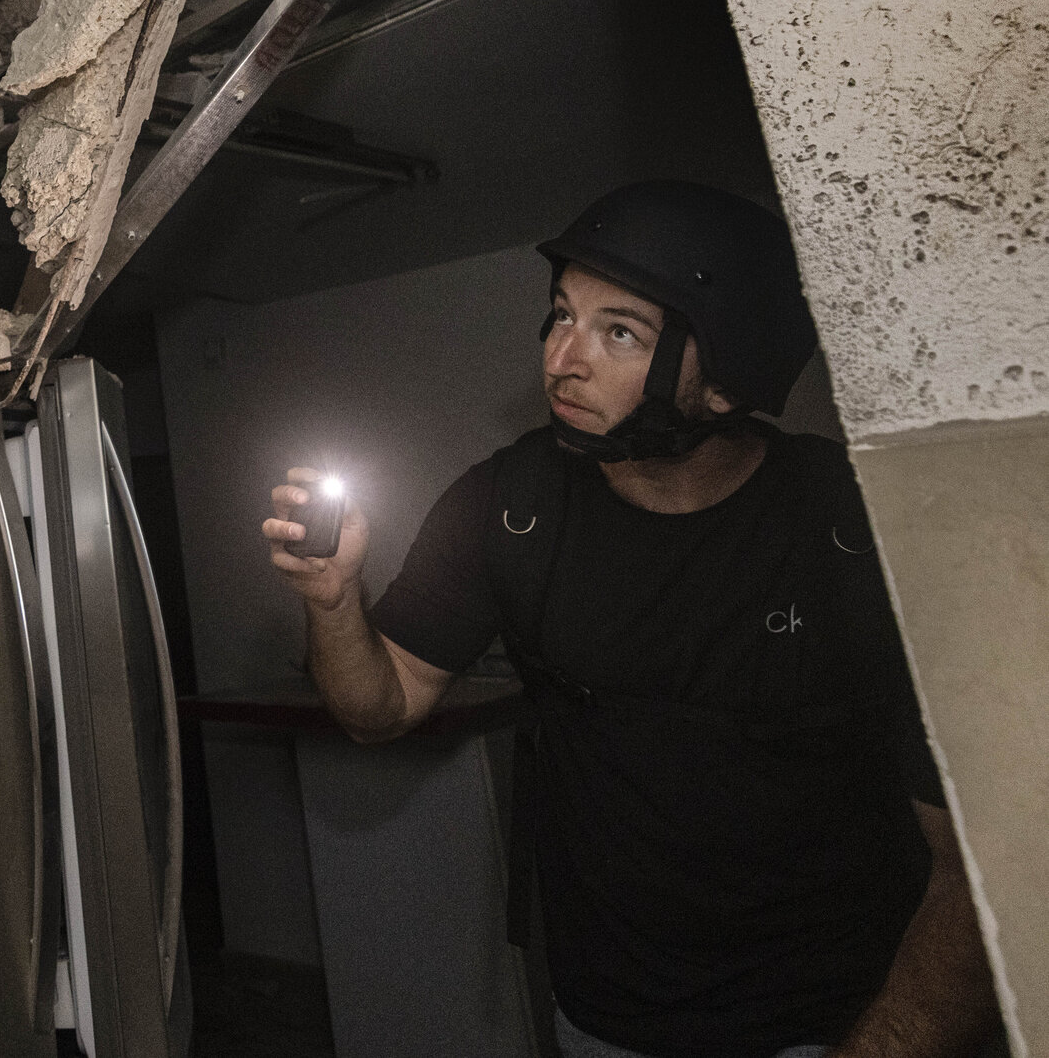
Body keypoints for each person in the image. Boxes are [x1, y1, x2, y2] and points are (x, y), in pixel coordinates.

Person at [261, 181, 1001, 1058]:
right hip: (608, 1022)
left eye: (620, 332)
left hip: (839, 1020)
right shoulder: (509, 505)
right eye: (561, 314)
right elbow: (378, 707)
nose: (561, 358)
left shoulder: (852, 525)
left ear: (725, 378)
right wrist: (333, 601)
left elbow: (981, 866)